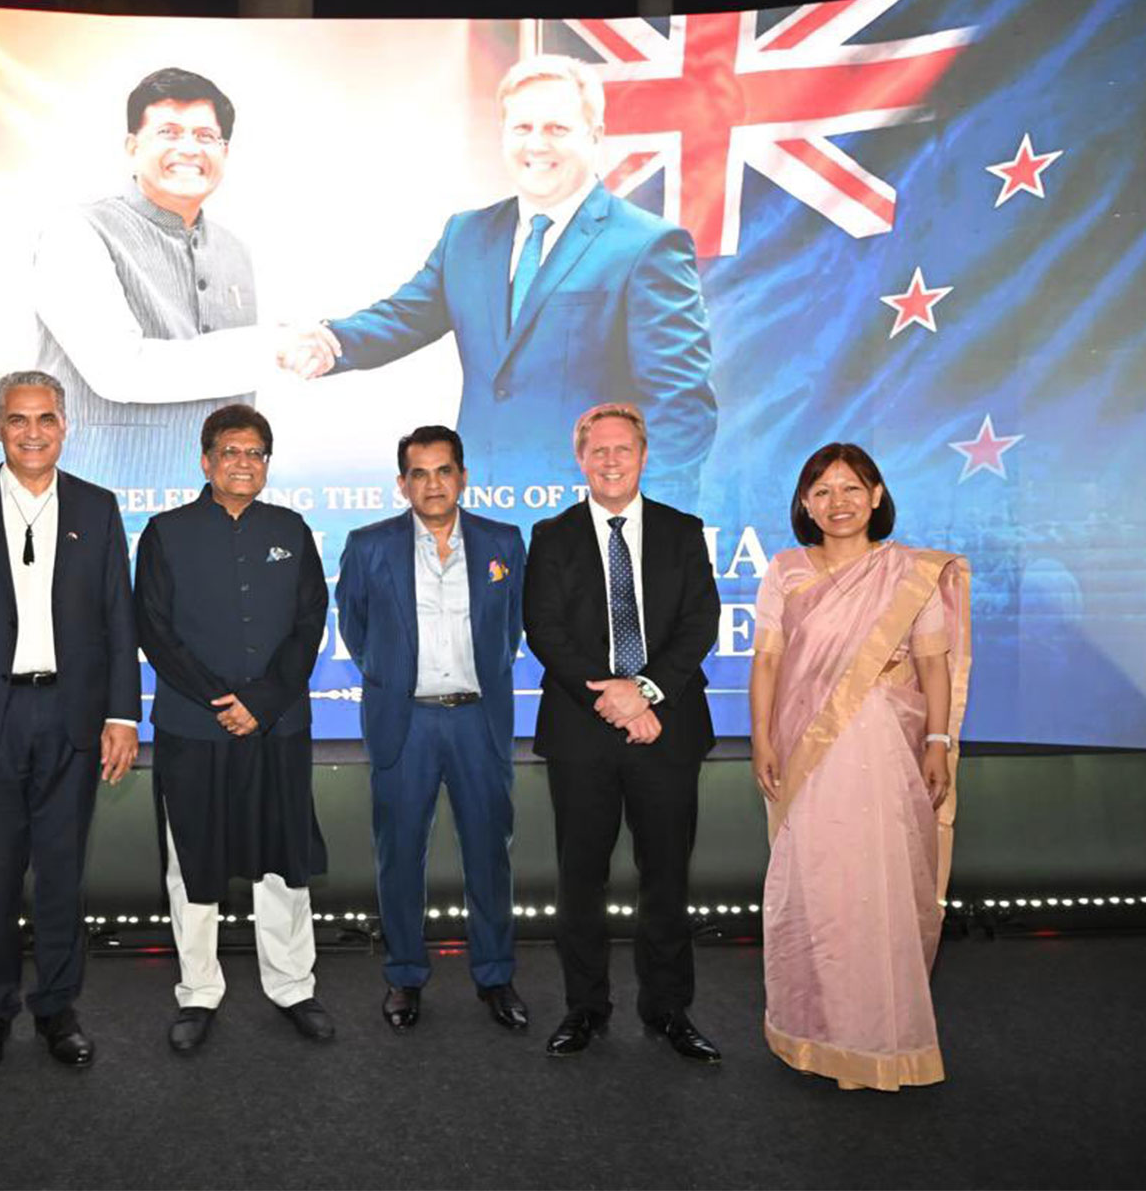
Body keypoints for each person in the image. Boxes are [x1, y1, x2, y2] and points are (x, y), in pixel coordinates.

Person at [285, 54, 716, 509]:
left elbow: (680, 404)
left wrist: (653, 523)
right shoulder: (466, 235)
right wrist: (331, 341)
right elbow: (406, 315)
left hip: (588, 520)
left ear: (596, 136)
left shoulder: (647, 245)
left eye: (557, 129)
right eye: (522, 128)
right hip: (480, 513)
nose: (537, 144)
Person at [0, 371, 140, 1075]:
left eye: (45, 418)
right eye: (18, 419)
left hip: (71, 717)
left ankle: (57, 1008)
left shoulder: (98, 509)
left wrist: (123, 714)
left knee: (63, 875)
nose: (32, 431)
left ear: (66, 425)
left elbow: (116, 619)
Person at [750, 443, 971, 1092]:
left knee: (880, 892)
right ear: (804, 503)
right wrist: (762, 739)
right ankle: (819, 1036)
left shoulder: (909, 571)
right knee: (816, 891)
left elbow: (932, 662)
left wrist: (937, 740)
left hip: (884, 750)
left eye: (850, 489)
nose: (837, 503)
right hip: (806, 752)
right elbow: (766, 661)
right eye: (821, 491)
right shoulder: (788, 570)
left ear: (876, 496)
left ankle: (884, 1044)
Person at [523, 403, 722, 1060]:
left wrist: (647, 692)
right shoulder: (551, 536)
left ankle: (668, 1010)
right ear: (580, 459)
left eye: (622, 449)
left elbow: (699, 623)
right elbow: (545, 631)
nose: (610, 461)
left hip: (667, 728)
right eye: (597, 450)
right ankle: (586, 1009)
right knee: (581, 880)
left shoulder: (682, 531)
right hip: (584, 732)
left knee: (665, 878)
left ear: (644, 455)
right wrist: (614, 700)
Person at [134, 403, 332, 1052]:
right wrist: (222, 699)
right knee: (192, 863)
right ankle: (198, 993)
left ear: (266, 465)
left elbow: (309, 626)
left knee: (284, 861)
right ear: (205, 461)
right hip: (195, 727)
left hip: (277, 727)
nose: (242, 462)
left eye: (254, 453)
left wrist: (263, 701)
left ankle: (292, 985)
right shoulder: (165, 532)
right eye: (230, 452)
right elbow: (154, 631)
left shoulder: (293, 530)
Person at [336, 425, 529, 1032]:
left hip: (479, 719)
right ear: (402, 483)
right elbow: (355, 627)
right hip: (406, 722)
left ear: (463, 477)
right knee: (399, 857)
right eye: (419, 473)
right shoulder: (369, 546)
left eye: (443, 470)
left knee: (488, 856)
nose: (433, 483)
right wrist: (392, 677)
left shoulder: (504, 541)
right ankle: (404, 976)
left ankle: (495, 976)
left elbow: (514, 625)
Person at [33, 66, 300, 492]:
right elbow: (118, 370)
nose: (189, 148)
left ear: (225, 151)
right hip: (101, 501)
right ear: (132, 146)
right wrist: (274, 348)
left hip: (213, 506)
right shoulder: (77, 232)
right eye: (170, 132)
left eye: (205, 136)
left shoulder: (236, 250)